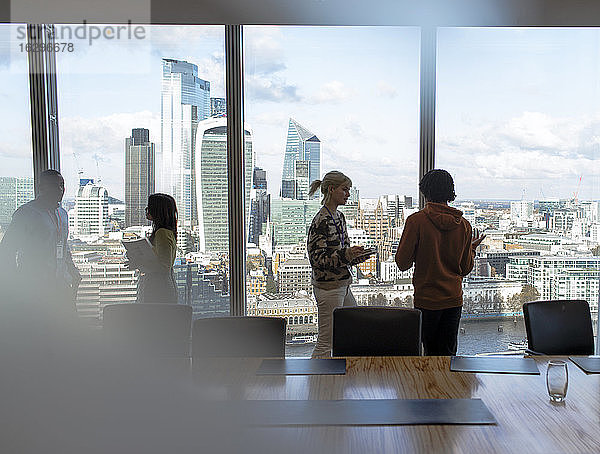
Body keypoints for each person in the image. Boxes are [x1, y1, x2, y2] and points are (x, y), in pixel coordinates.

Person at [395, 169, 485, 356]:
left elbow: (402, 263)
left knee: (427, 354)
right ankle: (447, 386)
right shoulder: (464, 225)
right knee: (447, 356)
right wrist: (471, 249)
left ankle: (426, 386)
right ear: (450, 193)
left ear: (425, 192)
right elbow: (466, 268)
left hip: (426, 300)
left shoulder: (416, 221)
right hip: (453, 300)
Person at [0, 169, 81, 320]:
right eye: (54, 185)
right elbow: (7, 249)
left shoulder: (62, 214)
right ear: (41, 188)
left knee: (66, 328)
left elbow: (63, 245)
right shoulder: (26, 213)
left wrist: (72, 269)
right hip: (35, 285)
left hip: (61, 283)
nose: (60, 189)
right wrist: (15, 279)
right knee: (40, 329)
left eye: (62, 185)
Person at [307, 171, 371, 358]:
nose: (348, 194)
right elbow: (317, 259)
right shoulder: (321, 220)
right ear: (332, 189)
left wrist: (357, 256)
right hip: (329, 288)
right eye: (345, 189)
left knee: (352, 326)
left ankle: (338, 375)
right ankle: (317, 381)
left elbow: (343, 253)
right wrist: (347, 254)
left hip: (342, 284)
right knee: (326, 342)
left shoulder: (339, 217)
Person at [130, 193, 178, 304]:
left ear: (157, 210)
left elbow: (163, 267)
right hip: (162, 284)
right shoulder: (166, 232)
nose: (146, 210)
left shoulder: (162, 233)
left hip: (158, 286)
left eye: (149, 207)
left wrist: (139, 261)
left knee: (153, 317)